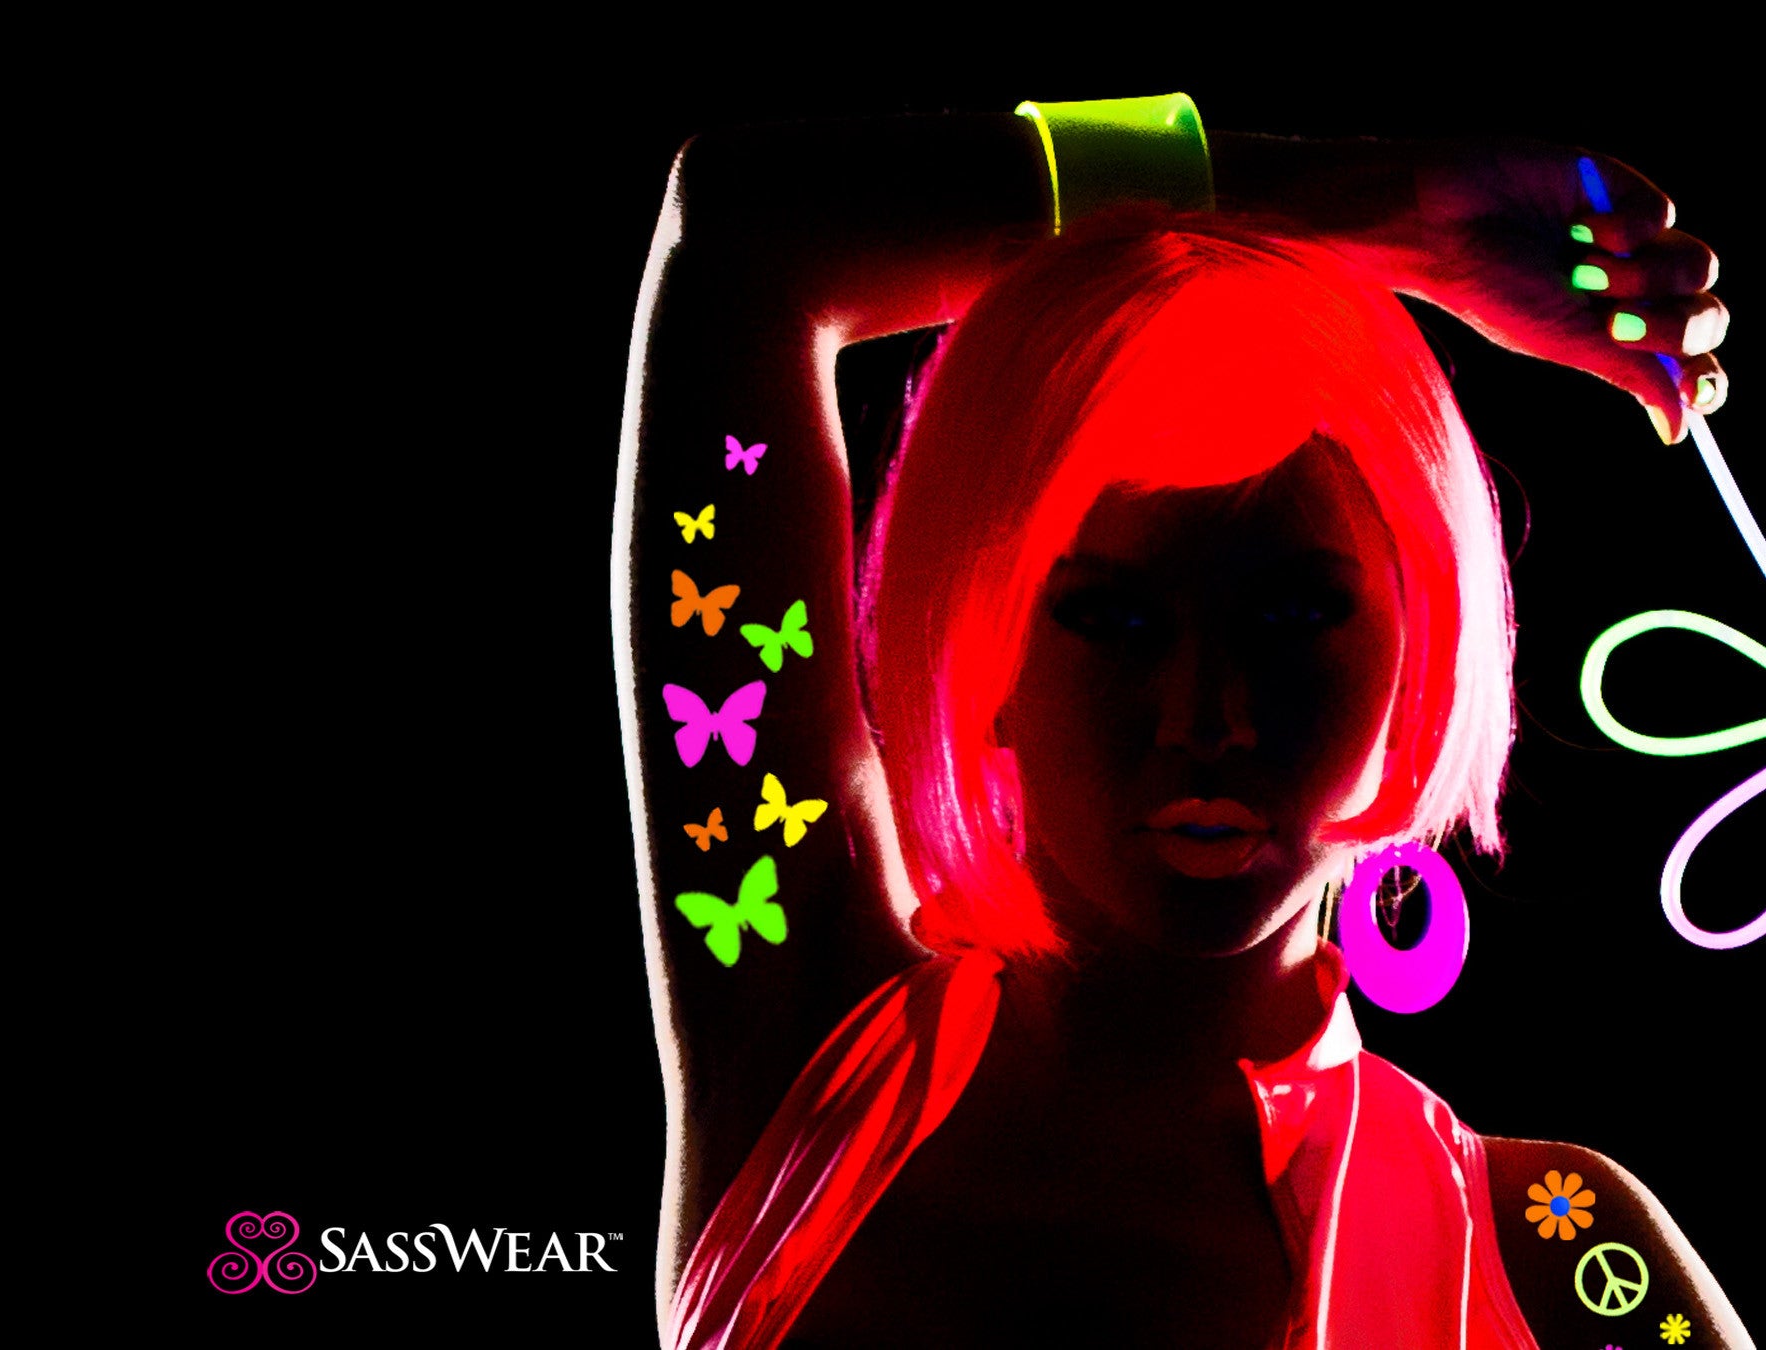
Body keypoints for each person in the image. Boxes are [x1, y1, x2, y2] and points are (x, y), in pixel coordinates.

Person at [613, 96, 1746, 1347]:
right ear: (982, 639)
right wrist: (1385, 213)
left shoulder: (1560, 1257)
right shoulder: (805, 1053)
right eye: (1114, 619)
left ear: (1425, 638)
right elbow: (746, 224)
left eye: (1292, 615)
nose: (1206, 717)